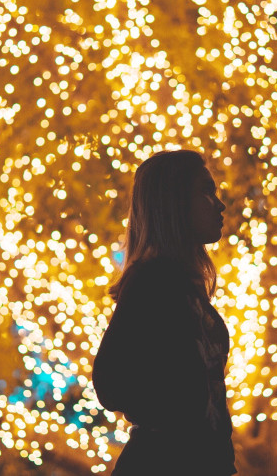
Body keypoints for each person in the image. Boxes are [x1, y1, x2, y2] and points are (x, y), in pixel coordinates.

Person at [92, 150, 236, 476]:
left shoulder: (183, 287)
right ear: (173, 203)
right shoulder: (153, 282)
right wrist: (176, 421)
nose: (219, 203)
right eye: (206, 191)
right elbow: (110, 382)